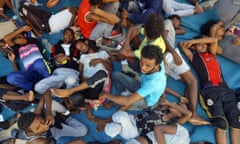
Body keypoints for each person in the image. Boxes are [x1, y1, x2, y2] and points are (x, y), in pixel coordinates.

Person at [179, 37, 240, 144]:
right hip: (210, 91)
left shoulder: (212, 53)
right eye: (200, 45)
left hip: (226, 90)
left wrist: (196, 42)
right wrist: (192, 43)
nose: (203, 46)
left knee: (236, 124)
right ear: (193, 48)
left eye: (204, 44)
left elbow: (214, 40)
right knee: (221, 124)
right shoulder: (194, 56)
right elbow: (181, 44)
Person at [87, 93, 191, 142]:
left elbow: (188, 114)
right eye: (177, 104)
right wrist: (174, 101)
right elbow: (162, 90)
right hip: (133, 119)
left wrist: (173, 105)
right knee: (121, 114)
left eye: (179, 107)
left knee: (120, 118)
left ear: (179, 114)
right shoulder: (163, 108)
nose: (176, 104)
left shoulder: (172, 124)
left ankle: (107, 125)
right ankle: (106, 123)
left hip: (134, 131)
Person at [51, 38, 112, 110]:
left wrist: (100, 60)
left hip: (97, 84)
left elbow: (110, 68)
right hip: (85, 85)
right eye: (79, 49)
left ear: (86, 42)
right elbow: (80, 73)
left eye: (81, 45)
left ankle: (70, 91)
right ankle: (86, 100)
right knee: (75, 98)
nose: (81, 49)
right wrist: (84, 79)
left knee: (102, 73)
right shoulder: (83, 57)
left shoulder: (102, 53)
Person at [100, 45, 166, 110]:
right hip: (141, 86)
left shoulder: (153, 83)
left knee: (124, 100)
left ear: (157, 65)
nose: (142, 68)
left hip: (145, 100)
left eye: (147, 66)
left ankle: (119, 102)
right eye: (141, 62)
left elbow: (127, 100)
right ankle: (121, 96)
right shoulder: (159, 62)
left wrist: (106, 95)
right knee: (115, 75)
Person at [14, 90, 87, 144]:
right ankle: (63, 118)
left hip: (50, 118)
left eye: (41, 121)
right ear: (33, 133)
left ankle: (66, 114)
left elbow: (46, 92)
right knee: (83, 131)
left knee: (48, 105)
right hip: (53, 132)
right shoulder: (39, 142)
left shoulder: (36, 115)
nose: (43, 125)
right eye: (38, 128)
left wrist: (48, 112)